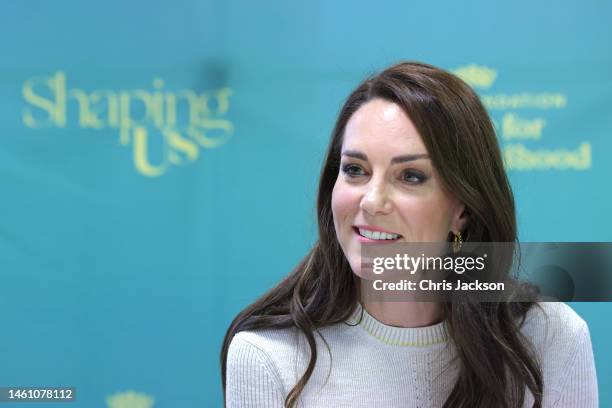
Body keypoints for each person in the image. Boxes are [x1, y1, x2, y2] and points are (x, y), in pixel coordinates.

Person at [220, 62, 598, 407]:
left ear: (462, 209)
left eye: (410, 176)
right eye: (355, 169)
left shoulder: (548, 338)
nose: (372, 201)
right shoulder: (268, 355)